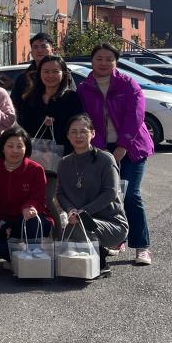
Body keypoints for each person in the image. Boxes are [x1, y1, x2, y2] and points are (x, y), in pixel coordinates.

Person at [76, 43, 154, 266]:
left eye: (109, 59)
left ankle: (142, 246)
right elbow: (85, 121)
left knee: (130, 195)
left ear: (116, 62)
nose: (103, 63)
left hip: (132, 147)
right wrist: (99, 149)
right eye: (99, 58)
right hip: (101, 149)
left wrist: (122, 146)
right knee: (108, 196)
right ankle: (117, 239)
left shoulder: (128, 84)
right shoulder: (84, 88)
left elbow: (135, 116)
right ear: (92, 61)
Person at [55, 114, 130, 277]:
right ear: (68, 136)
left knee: (80, 224)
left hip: (112, 223)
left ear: (93, 133)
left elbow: (110, 192)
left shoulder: (105, 159)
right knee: (61, 230)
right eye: (73, 132)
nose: (78, 136)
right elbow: (60, 193)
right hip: (78, 218)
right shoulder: (64, 163)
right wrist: (71, 210)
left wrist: (83, 212)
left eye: (83, 131)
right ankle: (88, 256)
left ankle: (101, 263)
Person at [0, 127, 52, 262]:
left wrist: (29, 207)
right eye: (10, 146)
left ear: (26, 148)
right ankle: (19, 260)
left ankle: (30, 260)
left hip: (27, 219)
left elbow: (39, 197)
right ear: (2, 148)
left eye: (19, 146)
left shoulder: (36, 170)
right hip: (3, 221)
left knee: (33, 223)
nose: (15, 151)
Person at [16, 55, 83, 156]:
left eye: (55, 71)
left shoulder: (71, 98)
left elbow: (77, 125)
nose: (50, 75)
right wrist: (41, 121)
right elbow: (23, 125)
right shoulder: (30, 97)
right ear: (39, 73)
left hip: (65, 155)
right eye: (46, 71)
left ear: (63, 74)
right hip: (35, 154)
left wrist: (55, 122)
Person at [12, 32, 55, 118]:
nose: (39, 50)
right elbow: (14, 106)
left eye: (43, 46)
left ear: (52, 51)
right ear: (31, 53)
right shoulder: (23, 78)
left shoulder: (63, 75)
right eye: (35, 47)